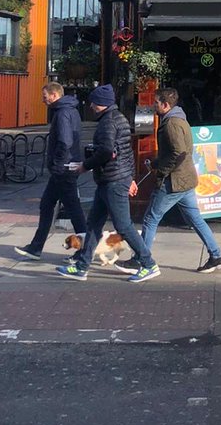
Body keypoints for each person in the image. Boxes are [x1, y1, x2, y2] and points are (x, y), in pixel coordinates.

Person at [117, 87, 221, 275]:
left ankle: (140, 259)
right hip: (185, 179)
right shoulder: (180, 119)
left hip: (173, 181)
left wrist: (162, 169)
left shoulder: (171, 124)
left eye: (156, 102)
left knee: (151, 218)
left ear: (165, 105)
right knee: (196, 219)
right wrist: (156, 163)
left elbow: (179, 152)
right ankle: (216, 256)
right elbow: (176, 152)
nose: (154, 106)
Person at [55, 84, 158, 283]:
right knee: (93, 224)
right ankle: (82, 266)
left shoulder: (107, 123)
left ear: (101, 104)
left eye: (94, 102)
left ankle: (148, 264)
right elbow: (126, 153)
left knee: (123, 225)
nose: (91, 105)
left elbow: (106, 151)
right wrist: (131, 178)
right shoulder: (119, 118)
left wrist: (85, 165)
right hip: (112, 180)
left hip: (112, 180)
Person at [15, 83, 87, 261]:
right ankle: (36, 247)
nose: (43, 100)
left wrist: (57, 163)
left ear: (54, 95)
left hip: (63, 169)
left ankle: (85, 249)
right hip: (66, 167)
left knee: (73, 209)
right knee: (48, 205)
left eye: (45, 96)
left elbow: (65, 141)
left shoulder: (62, 113)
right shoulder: (70, 110)